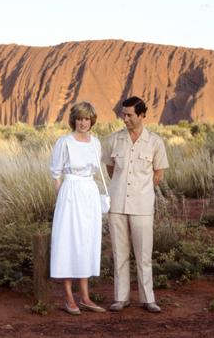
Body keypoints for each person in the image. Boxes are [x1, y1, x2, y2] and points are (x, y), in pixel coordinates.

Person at [102, 96, 169, 313]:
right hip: (117, 204)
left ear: (141, 115)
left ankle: (148, 299)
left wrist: (141, 189)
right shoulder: (113, 140)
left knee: (143, 254)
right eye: (123, 114)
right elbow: (111, 169)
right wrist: (121, 187)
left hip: (142, 205)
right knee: (120, 253)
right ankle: (121, 298)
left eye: (130, 115)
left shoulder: (155, 142)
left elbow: (158, 174)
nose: (125, 119)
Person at [49, 101, 107, 315]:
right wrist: (62, 198)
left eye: (87, 119)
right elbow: (56, 174)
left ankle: (85, 297)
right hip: (70, 192)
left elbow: (96, 169)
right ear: (74, 119)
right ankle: (69, 297)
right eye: (80, 118)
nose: (83, 123)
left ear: (92, 120)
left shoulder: (96, 142)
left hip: (89, 192)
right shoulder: (64, 142)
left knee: (86, 241)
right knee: (68, 240)